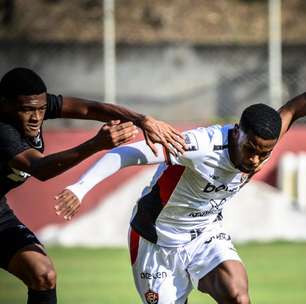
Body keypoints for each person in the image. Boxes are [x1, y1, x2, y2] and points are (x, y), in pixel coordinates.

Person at [55, 92, 306, 304]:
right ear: (237, 132)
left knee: (238, 297)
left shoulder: (264, 139)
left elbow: (293, 108)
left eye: (264, 154)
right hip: (156, 242)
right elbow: (129, 152)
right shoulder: (200, 146)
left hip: (204, 235)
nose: (254, 160)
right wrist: (80, 187)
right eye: (250, 149)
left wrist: (261, 151)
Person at [0, 67, 186, 304]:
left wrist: (142, 120)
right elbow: (40, 169)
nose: (37, 117)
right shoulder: (3, 131)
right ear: (4, 104)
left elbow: (90, 109)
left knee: (43, 275)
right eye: (27, 110)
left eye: (41, 108)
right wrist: (97, 144)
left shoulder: (35, 107)